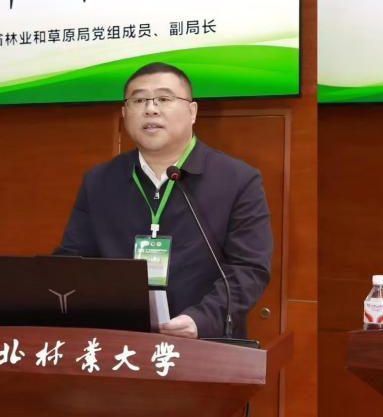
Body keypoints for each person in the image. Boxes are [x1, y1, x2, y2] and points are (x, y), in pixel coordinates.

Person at [54, 62, 272, 339]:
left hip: (205, 344)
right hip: (120, 342)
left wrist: (202, 319)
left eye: (164, 99)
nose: (151, 109)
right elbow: (72, 261)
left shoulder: (237, 179)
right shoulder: (99, 181)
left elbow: (249, 269)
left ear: (192, 112)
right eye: (139, 100)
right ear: (124, 113)